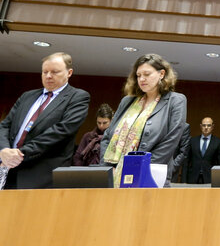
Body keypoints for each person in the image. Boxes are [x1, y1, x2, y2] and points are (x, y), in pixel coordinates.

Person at [0, 52, 90, 189]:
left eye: (55, 72)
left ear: (69, 72)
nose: (48, 76)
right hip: (9, 170)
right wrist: (4, 150)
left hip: (42, 176)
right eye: (45, 72)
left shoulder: (77, 97)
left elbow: (60, 131)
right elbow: (5, 126)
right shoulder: (27, 96)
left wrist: (19, 154)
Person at [101, 53, 187, 187]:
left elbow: (172, 140)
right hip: (115, 175)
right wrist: (107, 168)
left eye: (147, 74)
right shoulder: (127, 101)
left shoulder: (176, 100)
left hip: (150, 174)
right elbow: (107, 136)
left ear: (161, 74)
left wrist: (137, 168)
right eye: (139, 75)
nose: (142, 79)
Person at [185, 117, 220, 184]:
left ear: (212, 127)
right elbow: (186, 162)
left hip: (209, 178)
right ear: (200, 126)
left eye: (209, 125)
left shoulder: (218, 142)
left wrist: (219, 181)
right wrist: (184, 181)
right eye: (204, 125)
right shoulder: (192, 141)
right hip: (193, 178)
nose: (206, 127)